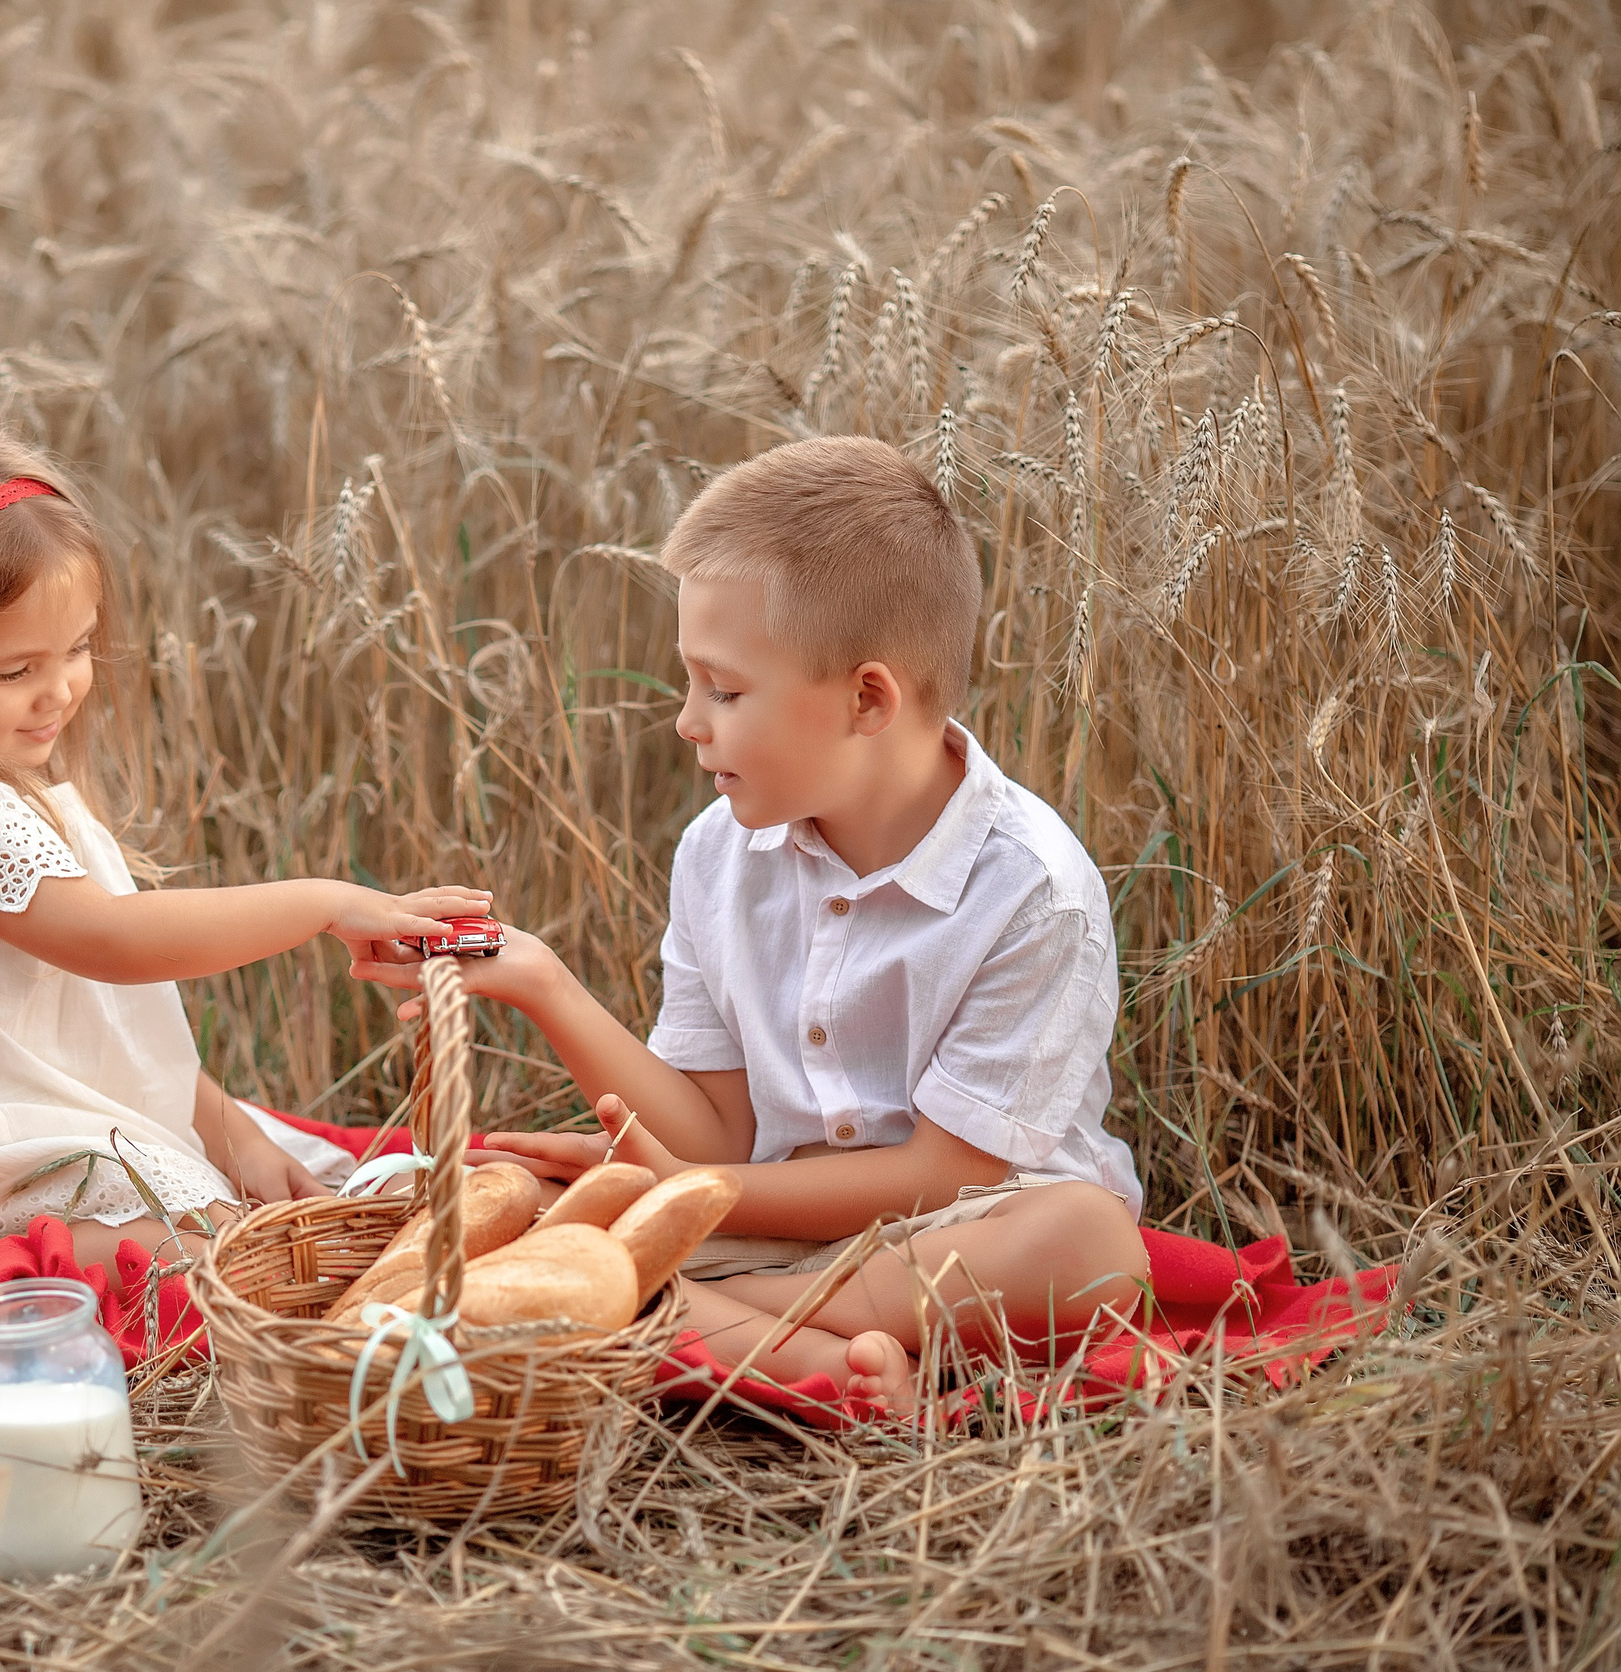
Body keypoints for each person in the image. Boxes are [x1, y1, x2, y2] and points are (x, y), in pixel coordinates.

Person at [353, 436, 1148, 1415]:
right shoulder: (717, 854)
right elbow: (714, 1128)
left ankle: (704, 1316)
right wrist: (541, 982)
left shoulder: (1030, 888)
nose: (688, 721)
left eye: (723, 690)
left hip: (964, 1229)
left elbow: (945, 1174)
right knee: (463, 1203)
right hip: (772, 1214)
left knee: (1091, 1245)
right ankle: (811, 1361)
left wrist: (681, 1193)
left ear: (867, 698)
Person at [0, 419, 491, 1321]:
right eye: (17, 667)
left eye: (78, 649)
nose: (60, 689)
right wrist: (325, 903)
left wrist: (234, 1130)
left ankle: (81, 1218)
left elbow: (103, 1033)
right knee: (221, 1254)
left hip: (0, 1103)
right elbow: (114, 945)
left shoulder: (4, 783)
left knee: (288, 1206)